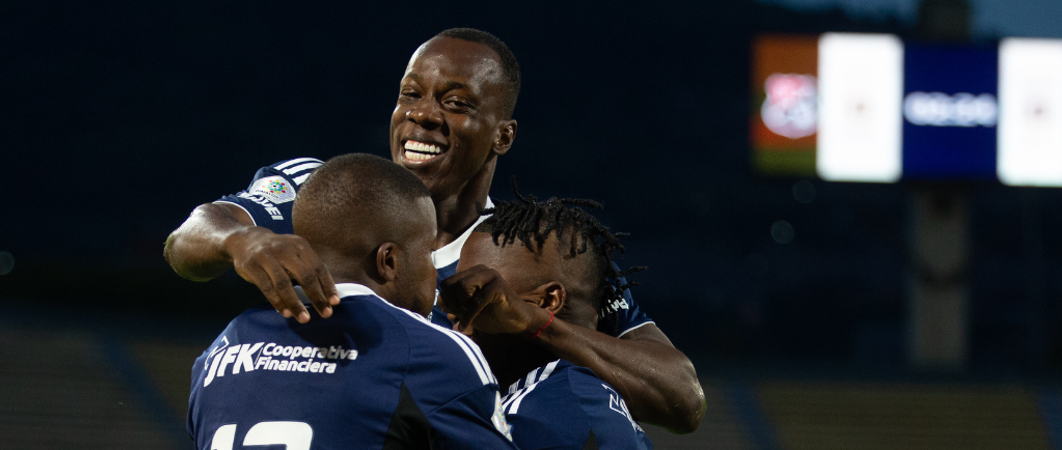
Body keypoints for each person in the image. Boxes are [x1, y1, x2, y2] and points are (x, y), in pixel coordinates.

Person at [165, 28, 705, 433]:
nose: (421, 116)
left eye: (456, 102)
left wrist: (536, 325)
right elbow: (187, 241)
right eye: (411, 94)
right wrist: (242, 239)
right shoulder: (330, 193)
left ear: (504, 135)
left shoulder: (537, 248)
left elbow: (682, 400)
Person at [187, 154, 515, 449]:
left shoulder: (223, 346)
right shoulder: (431, 352)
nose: (435, 271)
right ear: (388, 261)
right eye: (428, 254)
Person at [441, 186, 653, 450]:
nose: (453, 314)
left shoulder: (547, 412)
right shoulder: (581, 398)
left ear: (548, 301)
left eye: (478, 294)